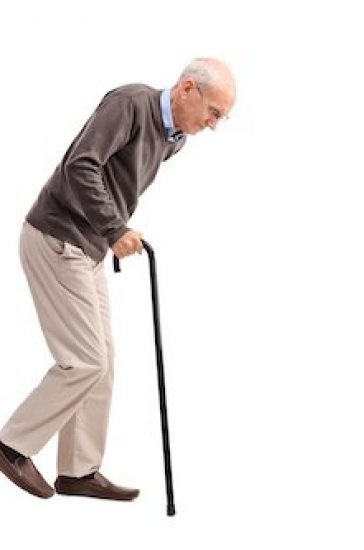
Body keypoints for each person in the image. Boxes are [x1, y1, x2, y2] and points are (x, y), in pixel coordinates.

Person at [0, 57, 236, 500]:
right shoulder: (129, 104)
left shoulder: (175, 139)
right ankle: (11, 444)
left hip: (87, 247)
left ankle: (78, 471)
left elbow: (118, 178)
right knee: (85, 359)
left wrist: (109, 232)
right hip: (57, 236)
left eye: (222, 117)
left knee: (103, 362)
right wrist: (115, 228)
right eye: (214, 112)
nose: (215, 124)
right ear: (187, 88)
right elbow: (81, 165)